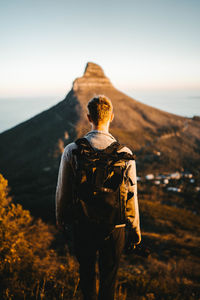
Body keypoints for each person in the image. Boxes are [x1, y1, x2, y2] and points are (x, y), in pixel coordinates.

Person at [56, 95, 141, 300]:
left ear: (88, 117)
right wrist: (135, 229)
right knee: (108, 281)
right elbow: (132, 198)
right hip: (116, 228)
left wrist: (61, 219)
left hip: (83, 224)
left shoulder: (72, 150)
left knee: (86, 276)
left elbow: (63, 191)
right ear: (111, 116)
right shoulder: (125, 153)